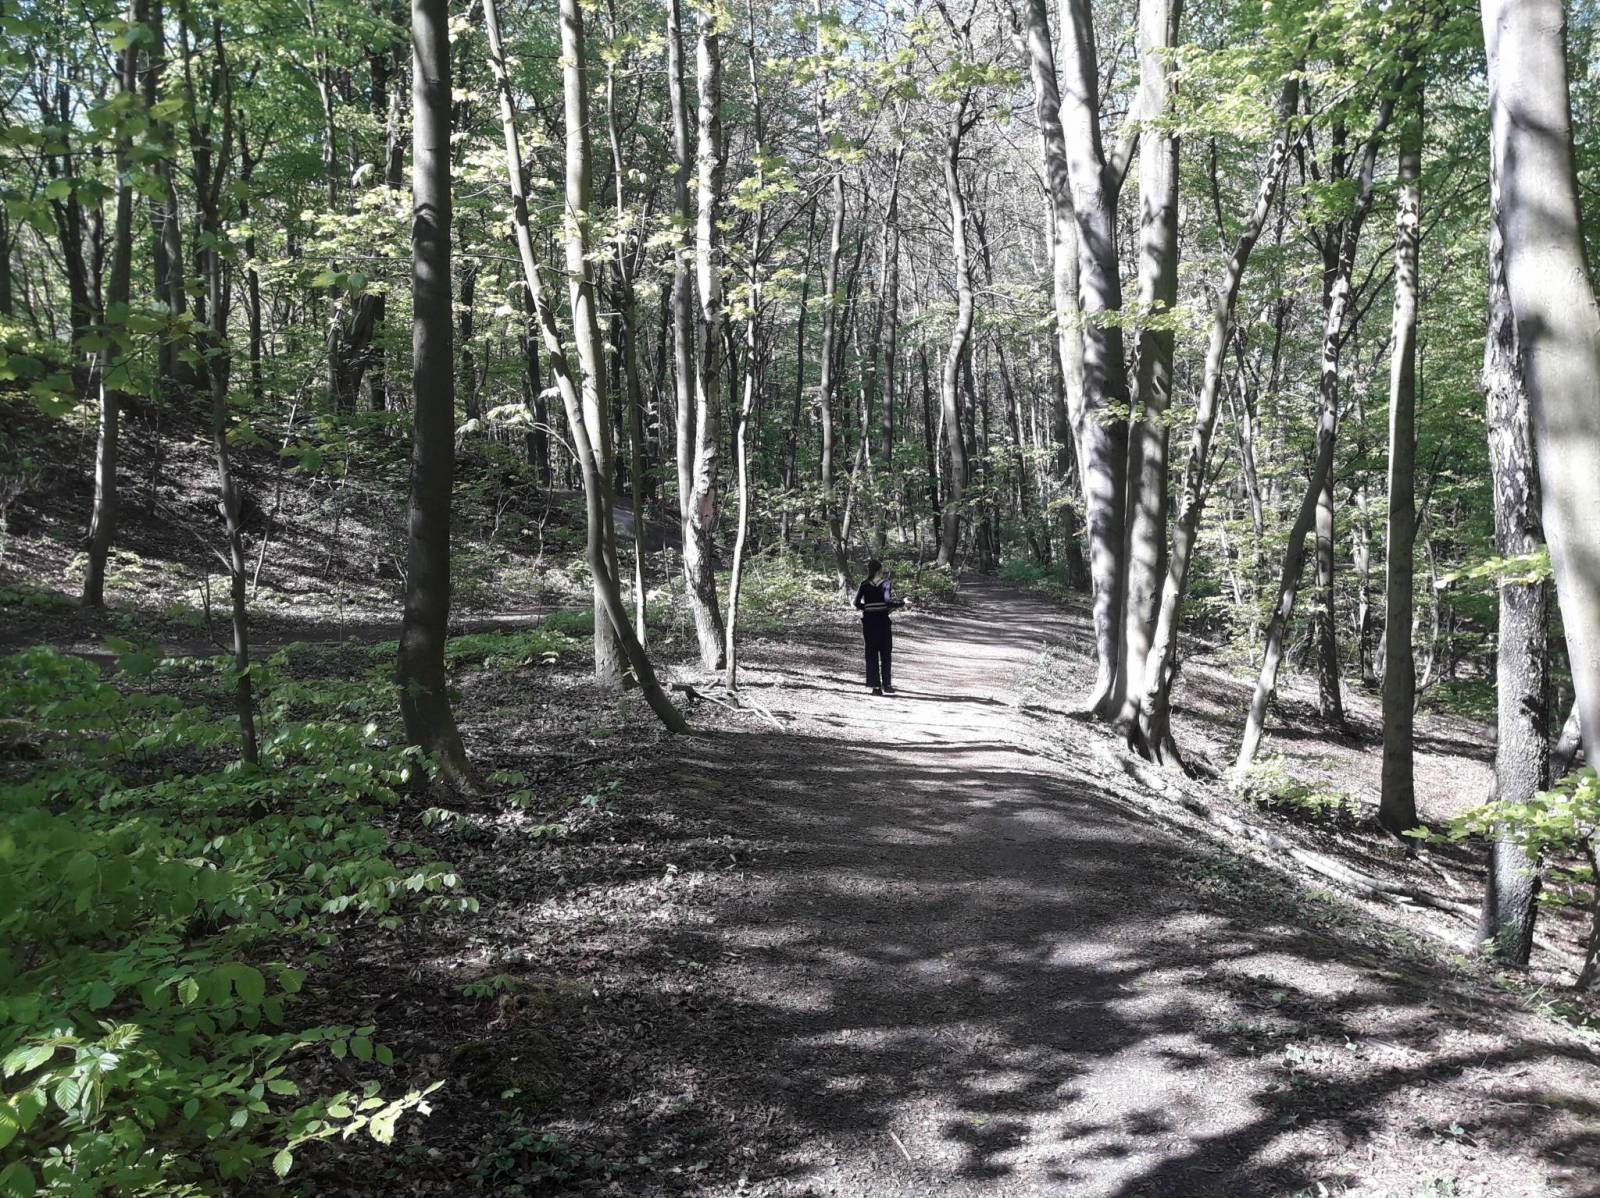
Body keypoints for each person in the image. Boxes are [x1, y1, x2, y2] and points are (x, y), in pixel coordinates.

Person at [852, 558, 905, 695]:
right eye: (881, 569)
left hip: (869, 624)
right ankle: (887, 685)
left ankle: (876, 687)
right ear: (878, 570)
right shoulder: (886, 583)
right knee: (886, 653)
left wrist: (867, 608)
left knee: (871, 654)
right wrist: (902, 603)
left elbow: (856, 603)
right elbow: (888, 602)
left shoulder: (864, 584)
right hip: (883, 623)